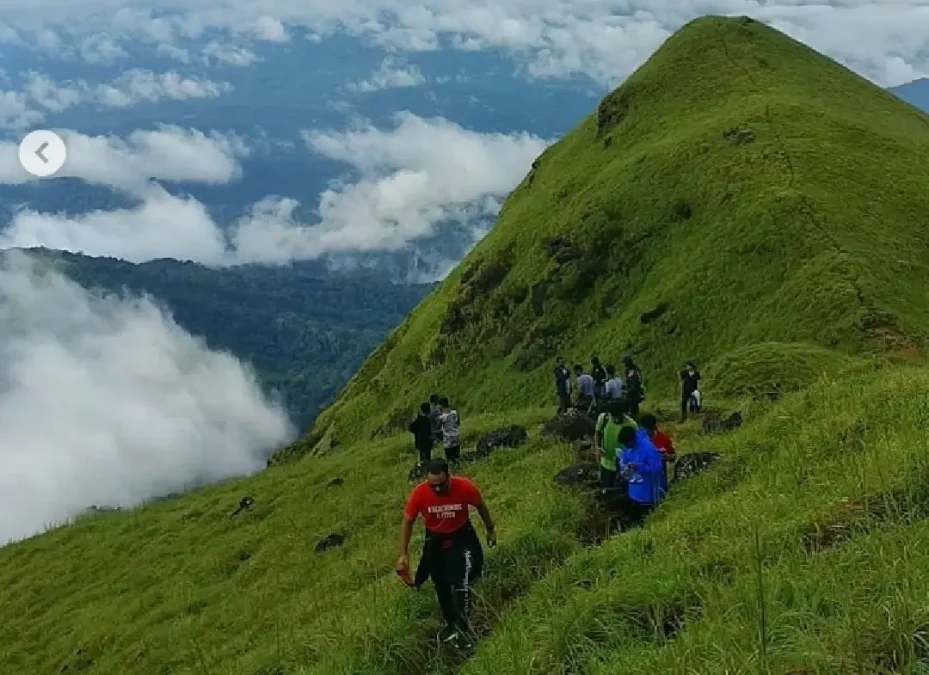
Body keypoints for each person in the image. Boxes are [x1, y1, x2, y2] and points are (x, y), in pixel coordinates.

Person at [396, 459, 497, 648]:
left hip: (461, 536)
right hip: (435, 540)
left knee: (461, 581)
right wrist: (403, 554)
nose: (437, 490)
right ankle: (451, 623)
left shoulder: (465, 487)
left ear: (449, 477)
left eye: (441, 485)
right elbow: (407, 522)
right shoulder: (419, 492)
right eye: (432, 486)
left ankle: (464, 629)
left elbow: (481, 506)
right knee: (441, 583)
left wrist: (490, 529)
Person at [616, 425, 666, 521]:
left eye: (626, 444)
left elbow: (657, 468)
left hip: (648, 493)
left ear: (632, 440)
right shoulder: (629, 447)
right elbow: (627, 456)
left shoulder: (648, 448)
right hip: (635, 491)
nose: (625, 447)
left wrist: (640, 467)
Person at [595, 399, 638, 489]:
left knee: (619, 491)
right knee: (605, 488)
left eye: (619, 416)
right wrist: (597, 447)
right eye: (614, 417)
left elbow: (636, 445)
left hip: (623, 466)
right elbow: (598, 433)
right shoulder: (603, 418)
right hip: (606, 462)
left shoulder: (632, 425)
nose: (616, 419)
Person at [639, 413, 675, 483]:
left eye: (649, 430)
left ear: (653, 427)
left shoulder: (663, 439)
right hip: (642, 478)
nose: (647, 433)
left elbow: (673, 457)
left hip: (659, 478)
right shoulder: (638, 439)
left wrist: (668, 456)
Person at [409, 402, 435, 468]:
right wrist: (432, 437)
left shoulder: (418, 419)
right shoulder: (427, 421)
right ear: (429, 410)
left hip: (419, 443)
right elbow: (428, 433)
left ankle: (421, 470)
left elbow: (410, 427)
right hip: (426, 444)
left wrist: (417, 433)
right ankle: (425, 470)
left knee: (421, 458)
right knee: (427, 459)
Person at [438, 396, 461, 462]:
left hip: (448, 440)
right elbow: (458, 423)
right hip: (456, 436)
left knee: (449, 459)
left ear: (441, 405)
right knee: (457, 457)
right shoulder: (455, 412)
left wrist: (440, 412)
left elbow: (438, 426)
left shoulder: (442, 416)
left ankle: (452, 470)